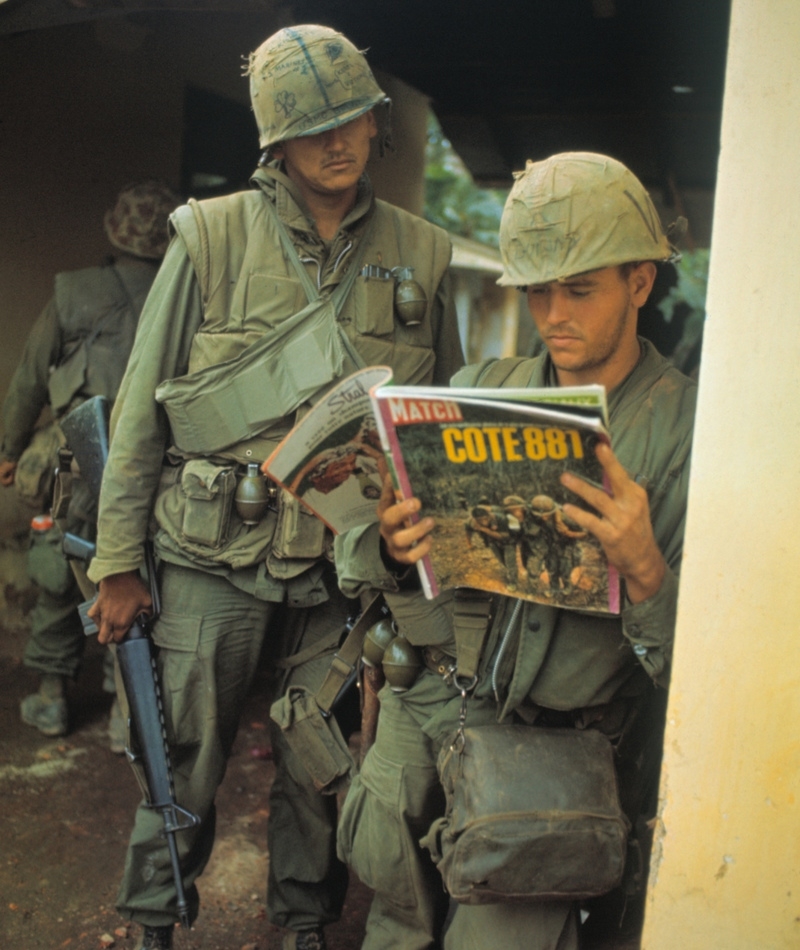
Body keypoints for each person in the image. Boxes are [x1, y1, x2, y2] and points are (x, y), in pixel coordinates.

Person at [85, 24, 463, 950]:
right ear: (276, 144)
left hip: (346, 572)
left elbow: (439, 421)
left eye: (353, 121)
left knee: (321, 764)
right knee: (183, 762)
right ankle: (152, 923)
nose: (337, 143)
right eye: (312, 127)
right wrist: (119, 560)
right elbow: (139, 410)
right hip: (215, 557)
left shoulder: (422, 252)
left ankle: (303, 927)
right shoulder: (209, 237)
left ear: (379, 126)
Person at [334, 151, 697, 950]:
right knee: (394, 928)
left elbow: (704, 682)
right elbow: (367, 567)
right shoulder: (480, 386)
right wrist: (394, 547)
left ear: (640, 282)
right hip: (430, 710)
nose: (553, 314)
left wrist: (644, 568)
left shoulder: (690, 433)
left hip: (554, 756)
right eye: (537, 290)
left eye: (579, 289)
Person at [0, 180, 178, 749]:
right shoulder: (186, 297)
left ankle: (52, 700)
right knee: (143, 577)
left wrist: (8, 451)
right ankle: (123, 701)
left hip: (78, 465)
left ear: (114, 229)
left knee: (61, 574)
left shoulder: (74, 292)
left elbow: (30, 377)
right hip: (158, 469)